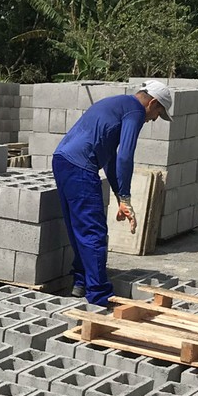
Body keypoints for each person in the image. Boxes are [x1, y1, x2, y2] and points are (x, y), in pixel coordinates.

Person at [52, 80, 173, 307]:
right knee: (93, 232)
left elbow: (110, 157)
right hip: (80, 167)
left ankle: (81, 282)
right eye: (158, 112)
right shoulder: (135, 112)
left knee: (79, 228)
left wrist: (120, 198)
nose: (155, 118)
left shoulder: (116, 103)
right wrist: (127, 196)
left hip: (62, 160)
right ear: (153, 102)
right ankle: (99, 296)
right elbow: (126, 156)